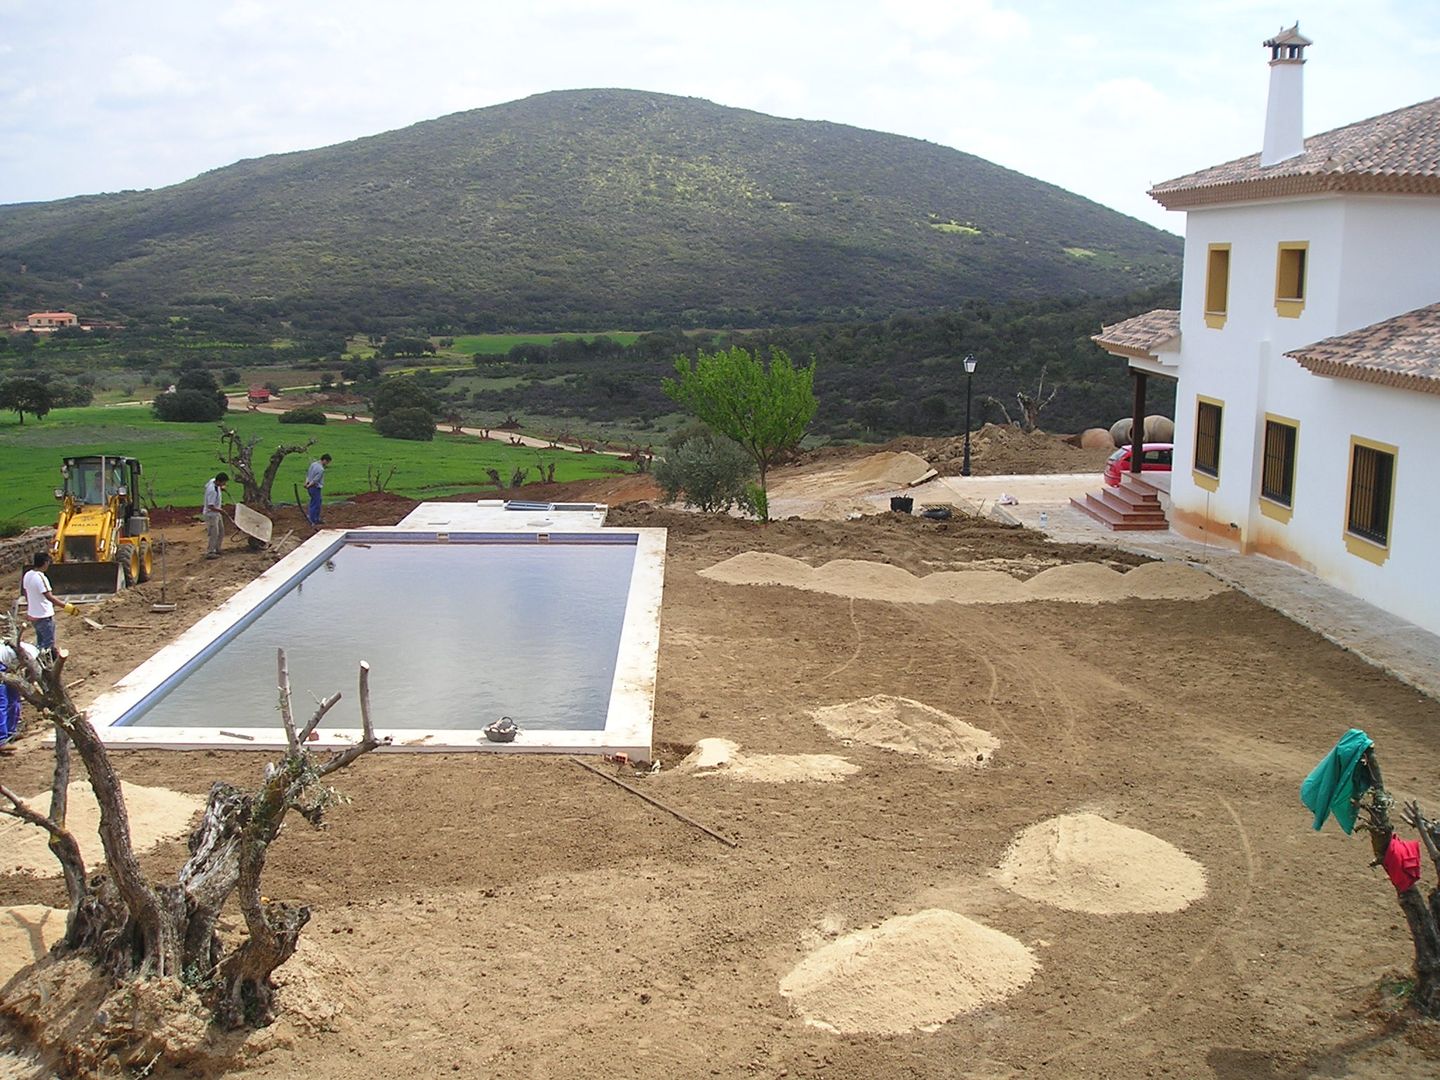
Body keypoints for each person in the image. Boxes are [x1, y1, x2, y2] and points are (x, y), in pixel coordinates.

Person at [21, 553, 74, 656]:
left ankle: (40, 662)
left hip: (34, 615)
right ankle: (49, 666)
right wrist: (66, 607)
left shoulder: (27, 575)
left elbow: (26, 592)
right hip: (44, 616)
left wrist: (30, 607)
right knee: (48, 644)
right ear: (45, 563)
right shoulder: (41, 578)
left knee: (40, 642)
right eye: (48, 562)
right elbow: (49, 597)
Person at [0, 638, 40, 745]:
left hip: (7, 665)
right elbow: (32, 676)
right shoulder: (32, 655)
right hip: (1, 662)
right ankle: (1, 739)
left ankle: (10, 731)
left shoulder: (33, 653)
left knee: (14, 699)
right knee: (2, 702)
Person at [203, 472, 229, 559]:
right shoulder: (212, 491)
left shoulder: (213, 481)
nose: (225, 484)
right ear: (219, 481)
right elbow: (211, 506)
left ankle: (218, 548)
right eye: (223, 483)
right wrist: (222, 511)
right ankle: (210, 552)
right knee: (214, 533)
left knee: (221, 531)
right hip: (211, 514)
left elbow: (206, 485)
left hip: (217, 513)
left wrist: (221, 488)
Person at [304, 453, 331, 525]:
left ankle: (313, 518)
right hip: (315, 487)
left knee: (313, 502)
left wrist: (306, 483)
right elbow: (316, 480)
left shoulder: (313, 464)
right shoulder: (321, 469)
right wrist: (309, 485)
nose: (327, 464)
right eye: (327, 462)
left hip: (310, 487)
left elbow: (308, 474)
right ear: (324, 460)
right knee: (316, 504)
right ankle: (314, 520)